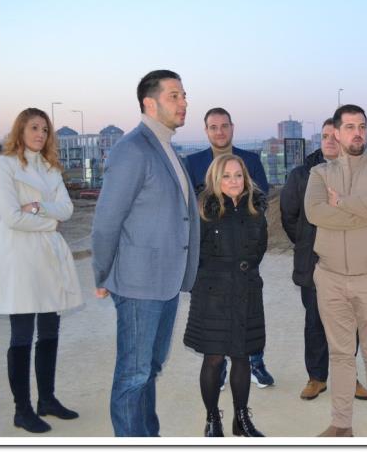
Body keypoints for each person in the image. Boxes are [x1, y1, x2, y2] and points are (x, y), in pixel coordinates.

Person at [91, 69, 200, 437]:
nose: (184, 102)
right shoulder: (132, 148)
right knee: (134, 374)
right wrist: (102, 273)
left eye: (184, 95)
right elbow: (107, 220)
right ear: (149, 103)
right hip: (138, 284)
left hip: (165, 281)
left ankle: (147, 437)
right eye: (174, 96)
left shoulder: (167, 147)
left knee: (150, 368)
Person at [305, 104, 367, 437]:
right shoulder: (320, 174)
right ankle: (341, 424)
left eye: (362, 126)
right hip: (330, 278)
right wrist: (366, 215)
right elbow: (315, 212)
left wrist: (343, 203)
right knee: (340, 355)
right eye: (349, 127)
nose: (357, 133)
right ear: (336, 133)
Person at [0, 108, 84, 433]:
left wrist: (36, 207)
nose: (40, 134)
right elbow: (10, 217)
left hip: (48, 257)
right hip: (19, 257)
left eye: (45, 130)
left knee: (50, 330)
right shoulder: (3, 165)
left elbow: (68, 209)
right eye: (34, 127)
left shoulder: (50, 168)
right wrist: (50, 221)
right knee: (22, 334)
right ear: (20, 130)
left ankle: (46, 399)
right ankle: (22, 410)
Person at [280, 118, 367, 401]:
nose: (329, 141)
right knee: (315, 322)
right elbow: (288, 216)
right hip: (314, 263)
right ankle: (316, 378)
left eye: (334, 136)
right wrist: (307, 243)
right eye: (324, 136)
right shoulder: (301, 175)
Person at [184, 107, 274, 389]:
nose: (220, 131)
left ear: (232, 128)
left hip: (243, 253)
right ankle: (219, 368)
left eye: (224, 125)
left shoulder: (251, 160)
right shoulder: (193, 162)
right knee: (216, 321)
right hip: (212, 257)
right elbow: (189, 205)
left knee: (247, 314)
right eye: (213, 127)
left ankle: (256, 363)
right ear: (206, 131)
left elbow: (261, 199)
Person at [184, 154, 267, 437]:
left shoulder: (256, 208)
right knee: (214, 358)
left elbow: (259, 249)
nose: (234, 181)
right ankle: (212, 420)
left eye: (238, 175)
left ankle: (241, 419)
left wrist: (244, 271)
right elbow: (194, 252)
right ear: (215, 179)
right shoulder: (204, 210)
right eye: (227, 176)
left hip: (247, 292)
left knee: (242, 356)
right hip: (213, 296)